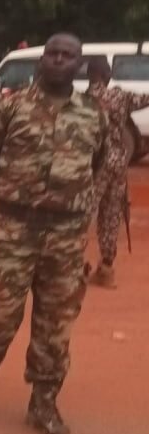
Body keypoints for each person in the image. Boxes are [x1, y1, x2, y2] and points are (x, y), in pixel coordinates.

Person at [0, 34, 107, 434]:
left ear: (79, 64)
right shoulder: (10, 107)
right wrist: (13, 187)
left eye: (67, 55)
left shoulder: (93, 114)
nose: (58, 60)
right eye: (52, 53)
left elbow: (98, 160)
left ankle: (44, 402)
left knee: (56, 321)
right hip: (16, 229)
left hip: (67, 235)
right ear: (42, 60)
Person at [86, 56, 149, 288]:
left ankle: (73, 267)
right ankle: (106, 269)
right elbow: (145, 99)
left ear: (89, 74)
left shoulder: (82, 100)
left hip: (95, 163)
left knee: (83, 214)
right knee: (112, 215)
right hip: (119, 162)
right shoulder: (120, 96)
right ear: (108, 75)